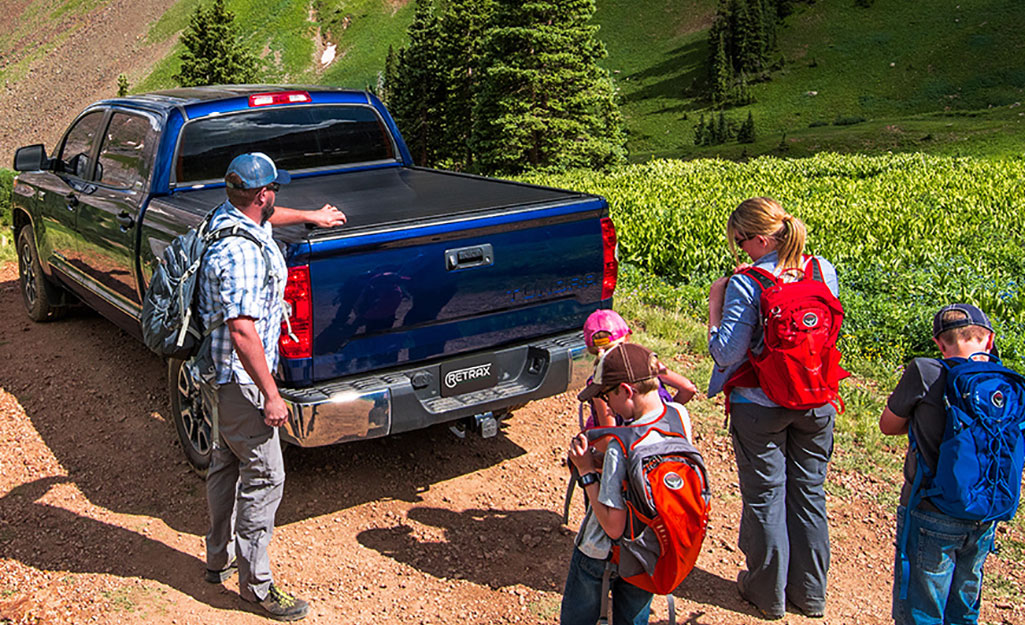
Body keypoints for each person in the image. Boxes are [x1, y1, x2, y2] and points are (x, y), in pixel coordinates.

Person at [197, 152, 345, 621]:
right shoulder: (239, 253)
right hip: (241, 382)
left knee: (225, 462)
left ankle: (217, 558)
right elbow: (242, 331)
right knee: (265, 477)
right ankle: (256, 589)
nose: (276, 196)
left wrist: (310, 216)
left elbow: (268, 216)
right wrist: (272, 395)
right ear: (262, 194)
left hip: (216, 375)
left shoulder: (228, 218)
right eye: (274, 190)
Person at [706, 196, 839, 620]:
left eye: (742, 242)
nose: (740, 250)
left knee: (765, 498)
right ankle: (811, 594)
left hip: (759, 404)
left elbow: (726, 354)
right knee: (810, 495)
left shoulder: (747, 284)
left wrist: (715, 306)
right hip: (817, 400)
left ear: (762, 239)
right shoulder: (822, 271)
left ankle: (768, 595)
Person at [879, 304, 999, 625]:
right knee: (964, 608)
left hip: (930, 509)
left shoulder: (926, 372)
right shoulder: (1005, 386)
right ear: (989, 341)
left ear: (939, 344)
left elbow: (888, 425)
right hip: (986, 515)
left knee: (922, 609)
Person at [561, 341, 694, 625]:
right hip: (651, 550)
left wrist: (586, 471)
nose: (606, 403)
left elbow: (612, 526)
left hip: (601, 555)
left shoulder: (620, 445)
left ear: (626, 390)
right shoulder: (679, 417)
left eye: (607, 395)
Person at [581, 309, 698, 429]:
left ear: (590, 349)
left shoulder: (601, 382)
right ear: (627, 337)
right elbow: (688, 388)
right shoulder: (646, 363)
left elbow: (609, 435)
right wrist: (665, 416)